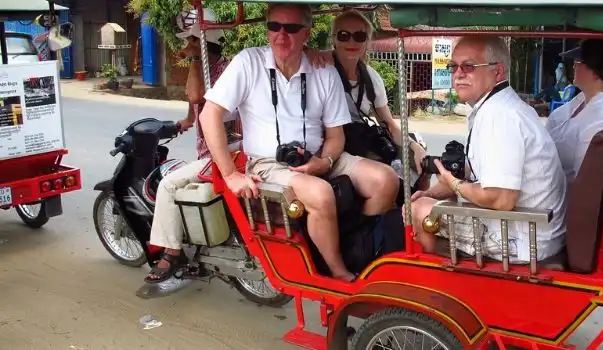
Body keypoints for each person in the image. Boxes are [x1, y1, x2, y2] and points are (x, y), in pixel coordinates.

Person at [199, 3, 398, 282]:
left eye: (292, 28)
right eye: (274, 27)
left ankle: (357, 246)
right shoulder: (249, 62)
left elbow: (335, 136)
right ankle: (337, 270)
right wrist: (231, 174)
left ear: (306, 34)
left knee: (386, 180)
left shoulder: (322, 70)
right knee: (320, 194)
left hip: (321, 154)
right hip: (270, 163)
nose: (282, 35)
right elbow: (210, 114)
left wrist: (325, 161)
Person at [144, 8, 333, 283]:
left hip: (229, 154)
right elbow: (194, 105)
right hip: (220, 152)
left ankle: (171, 253)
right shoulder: (227, 66)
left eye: (191, 41)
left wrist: (196, 59)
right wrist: (185, 121)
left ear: (204, 43)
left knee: (168, 184)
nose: (185, 47)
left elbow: (197, 95)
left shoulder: (223, 68)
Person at [406, 36, 568, 264]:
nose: (458, 74)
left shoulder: (497, 116)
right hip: (535, 231)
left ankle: (442, 281)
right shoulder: (504, 106)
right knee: (427, 201)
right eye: (454, 67)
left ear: (498, 72)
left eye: (469, 66)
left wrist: (454, 186)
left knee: (418, 210)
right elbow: (476, 173)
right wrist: (434, 192)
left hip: (523, 240)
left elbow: (501, 198)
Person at [329, 9, 430, 203]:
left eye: (359, 36)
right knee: (385, 178)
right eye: (344, 36)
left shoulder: (370, 77)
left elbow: (389, 123)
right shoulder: (321, 70)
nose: (351, 42)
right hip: (333, 144)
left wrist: (415, 147)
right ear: (334, 39)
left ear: (367, 41)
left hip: (360, 141)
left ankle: (410, 210)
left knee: (420, 161)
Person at [545, 39, 603, 181]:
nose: (573, 66)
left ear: (595, 72)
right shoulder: (583, 99)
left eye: (578, 61)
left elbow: (585, 182)